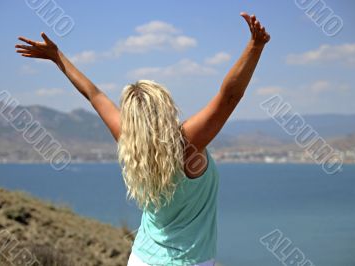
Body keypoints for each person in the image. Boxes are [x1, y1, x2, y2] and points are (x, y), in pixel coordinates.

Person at [15, 11, 270, 266]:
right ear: (166, 105)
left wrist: (57, 57)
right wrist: (255, 46)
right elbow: (229, 97)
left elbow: (94, 95)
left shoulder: (129, 141)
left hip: (141, 259)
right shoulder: (187, 144)